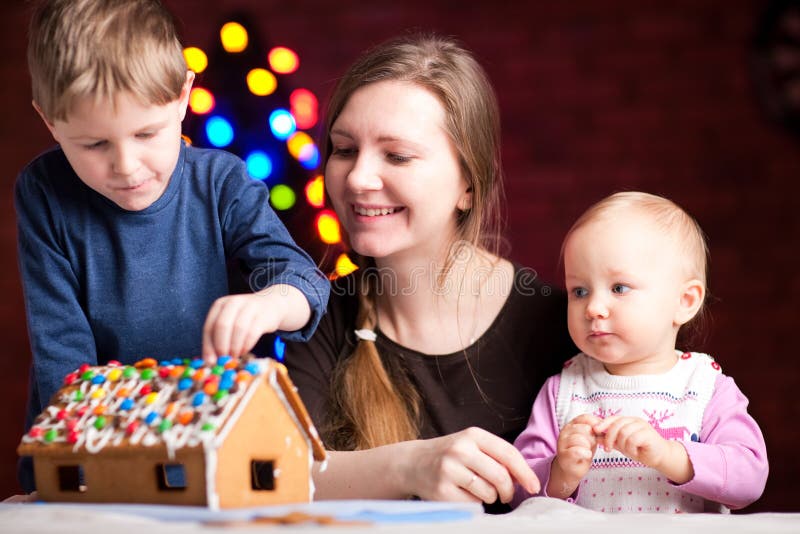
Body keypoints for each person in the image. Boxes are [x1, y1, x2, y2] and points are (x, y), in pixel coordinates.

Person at [14, 0, 329, 494]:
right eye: (94, 145)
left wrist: (272, 303)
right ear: (50, 122)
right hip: (84, 452)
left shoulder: (221, 183)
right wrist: (79, 473)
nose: (126, 165)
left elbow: (304, 279)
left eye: (147, 133)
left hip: (204, 450)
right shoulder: (43, 192)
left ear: (184, 95)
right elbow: (62, 353)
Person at [283, 33, 576, 511]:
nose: (357, 178)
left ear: (467, 183)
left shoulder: (561, 326)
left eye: (396, 155)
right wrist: (412, 466)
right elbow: (278, 472)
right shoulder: (317, 319)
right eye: (343, 149)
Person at [512, 191, 768, 513]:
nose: (593, 307)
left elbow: (749, 478)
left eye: (619, 288)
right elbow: (517, 487)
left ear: (685, 301)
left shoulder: (705, 387)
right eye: (579, 291)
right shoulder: (564, 390)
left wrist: (668, 455)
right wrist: (561, 473)